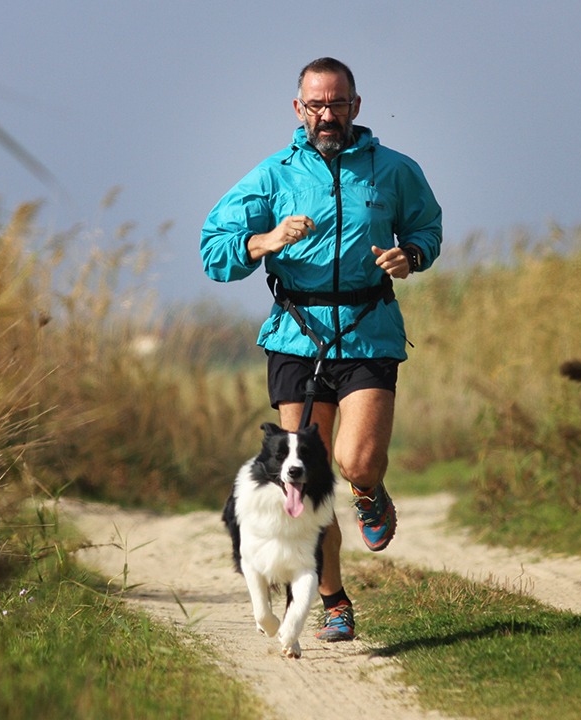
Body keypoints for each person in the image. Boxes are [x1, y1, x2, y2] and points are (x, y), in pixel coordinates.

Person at [201, 57, 442, 641]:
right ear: (298, 109)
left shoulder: (393, 170)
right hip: (295, 335)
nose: (327, 115)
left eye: (337, 104)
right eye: (316, 105)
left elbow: (427, 228)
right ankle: (332, 597)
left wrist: (411, 255)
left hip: (367, 328)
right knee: (305, 480)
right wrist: (265, 239)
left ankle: (369, 490)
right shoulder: (273, 175)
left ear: (356, 107)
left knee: (356, 460)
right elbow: (214, 250)